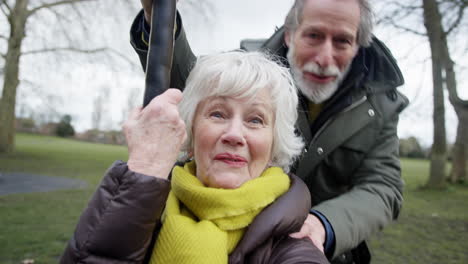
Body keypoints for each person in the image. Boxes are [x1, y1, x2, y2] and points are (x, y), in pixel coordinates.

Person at [130, 0, 409, 263]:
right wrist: (161, 21)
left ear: (358, 45)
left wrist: (324, 224)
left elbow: (382, 187)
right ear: (290, 34)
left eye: (342, 41)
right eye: (313, 35)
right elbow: (196, 90)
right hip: (238, 240)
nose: (325, 57)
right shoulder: (254, 68)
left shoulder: (381, 105)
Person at [60, 51, 329, 264]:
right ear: (189, 133)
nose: (234, 134)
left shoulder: (293, 243)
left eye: (255, 119)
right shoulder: (145, 211)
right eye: (218, 114)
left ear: (274, 146)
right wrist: (143, 170)